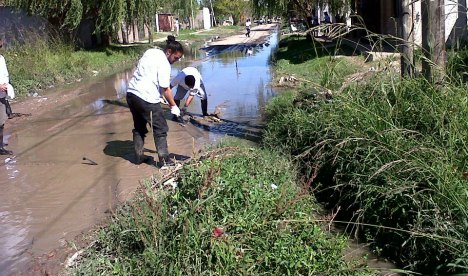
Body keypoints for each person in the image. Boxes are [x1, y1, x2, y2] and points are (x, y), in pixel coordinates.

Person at [126, 35, 183, 166]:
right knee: (160, 128)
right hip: (146, 98)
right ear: (169, 52)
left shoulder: (151, 51)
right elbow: (166, 89)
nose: (176, 61)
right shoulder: (165, 64)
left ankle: (138, 157)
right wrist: (174, 106)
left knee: (139, 127)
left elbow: (144, 70)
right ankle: (164, 160)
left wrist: (158, 94)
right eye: (175, 58)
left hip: (131, 94)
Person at [0, 38, 13, 155]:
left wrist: (7, 85)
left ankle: (0, 146)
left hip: (2, 95)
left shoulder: (1, 58)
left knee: (2, 121)